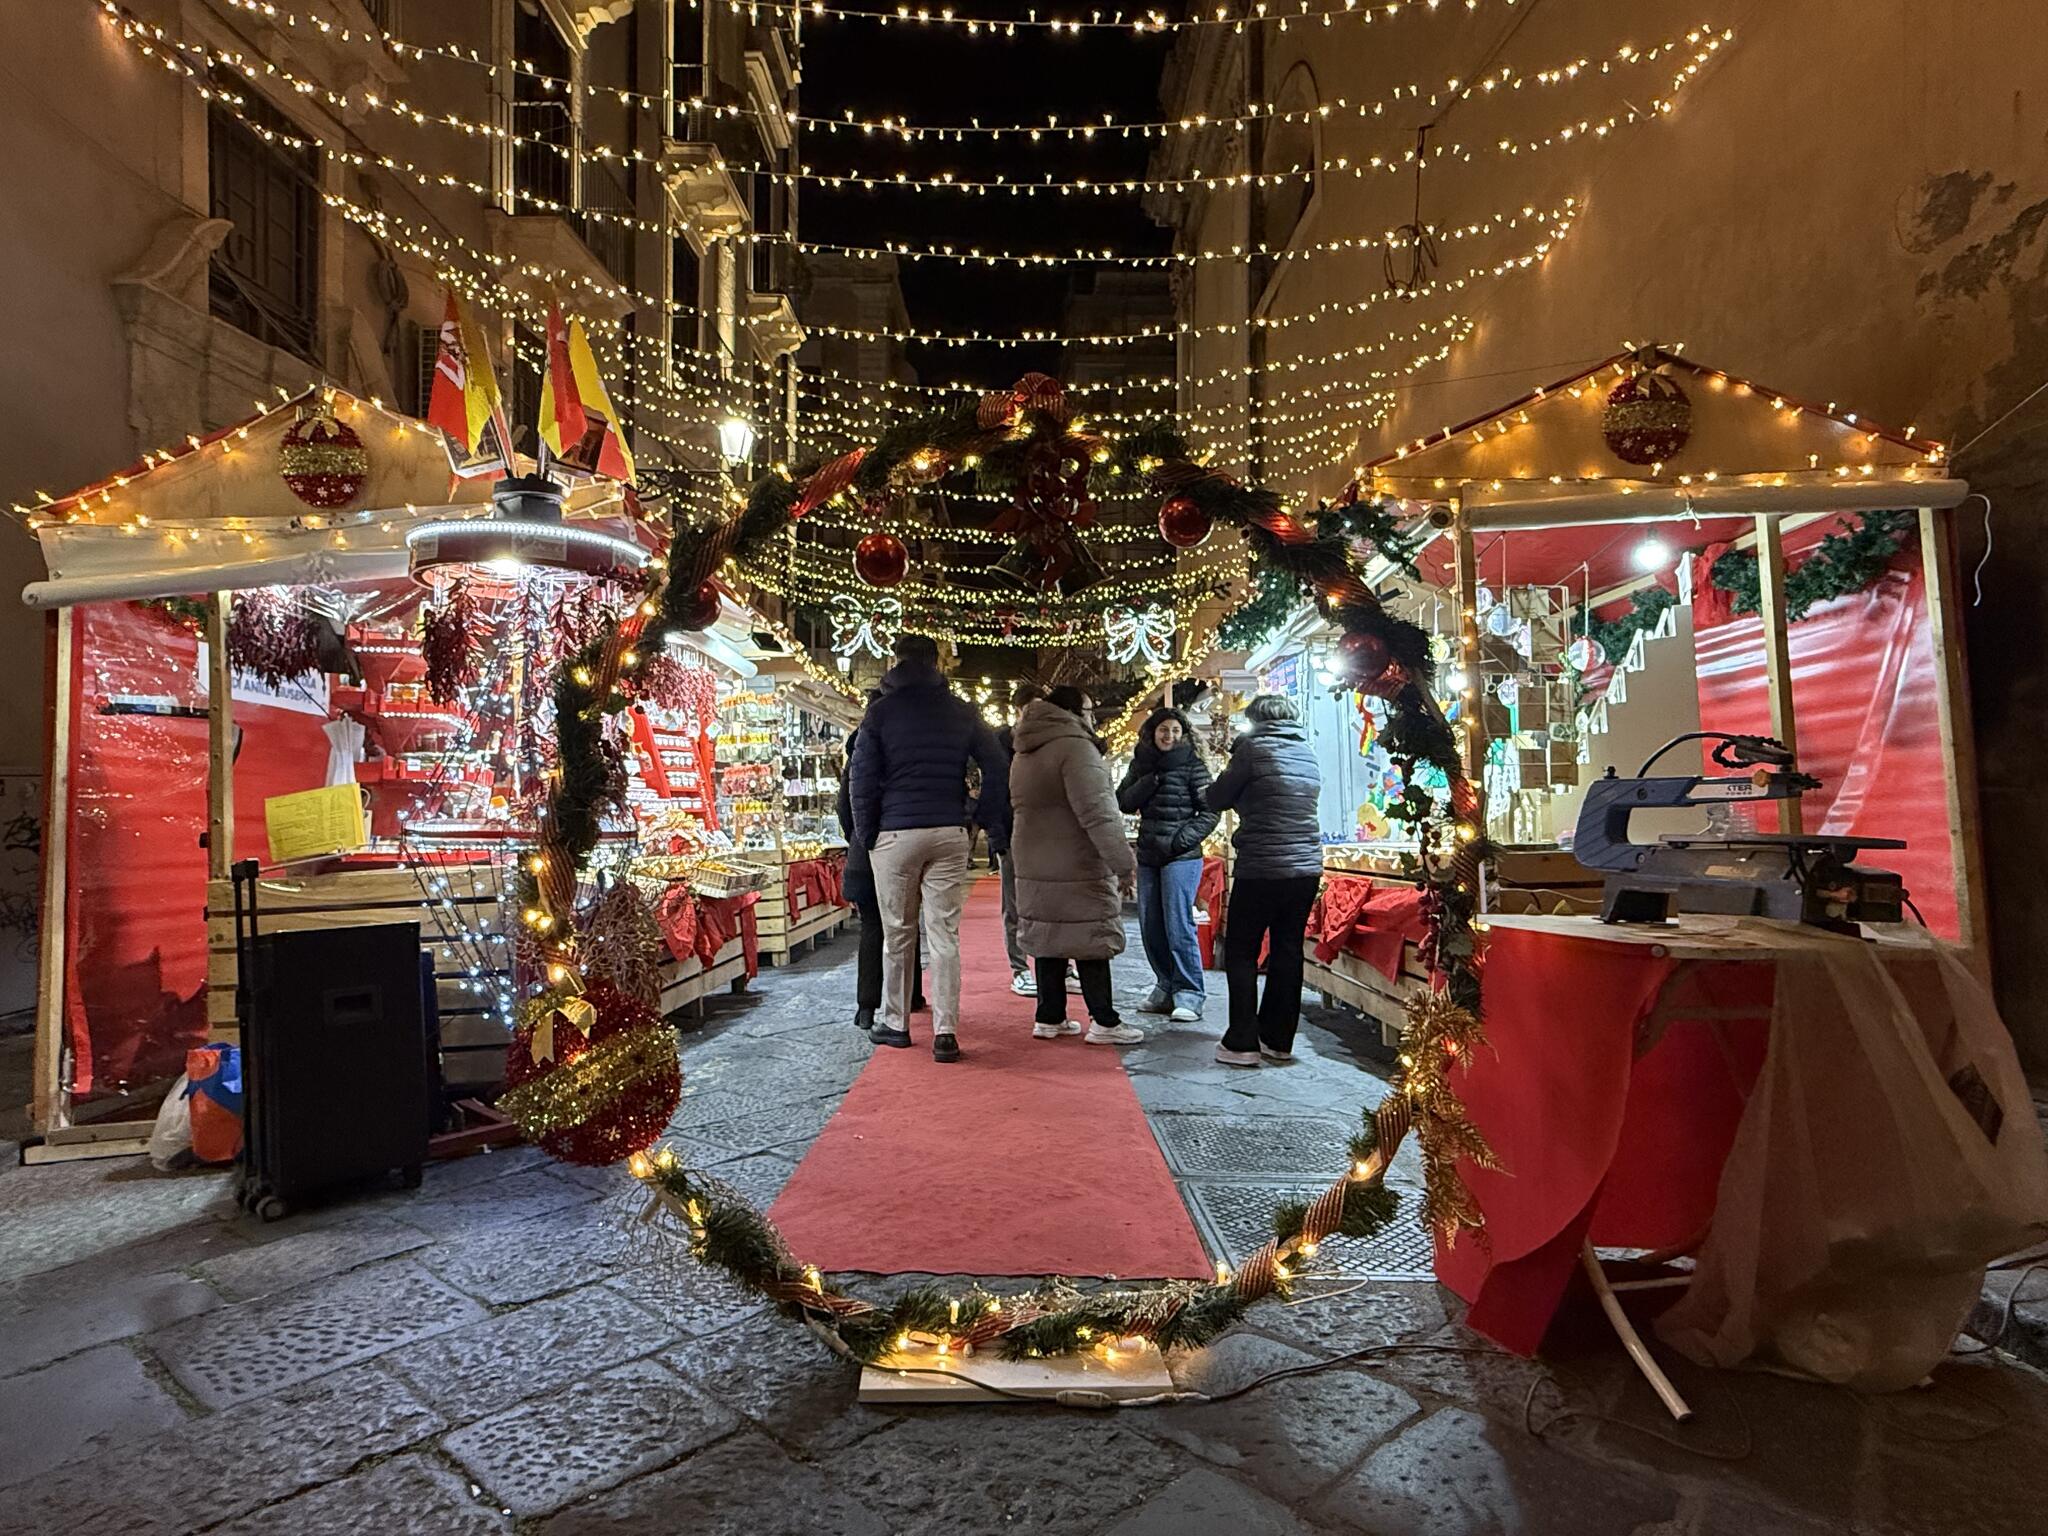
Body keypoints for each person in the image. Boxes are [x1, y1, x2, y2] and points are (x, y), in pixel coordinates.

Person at [849, 634, 1011, 1062]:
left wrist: (868, 833)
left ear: (896, 660)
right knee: (944, 934)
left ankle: (896, 1023)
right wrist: (980, 814)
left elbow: (861, 778)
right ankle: (946, 1031)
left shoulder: (880, 712)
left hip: (896, 833)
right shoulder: (961, 710)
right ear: (936, 662)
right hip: (948, 830)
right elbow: (997, 763)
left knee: (897, 933)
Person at [1009, 686, 1143, 1044]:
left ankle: (1049, 1016)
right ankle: (1104, 1021)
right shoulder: (1077, 749)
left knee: (1048, 935)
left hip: (1033, 857)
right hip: (1077, 860)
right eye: (1088, 709)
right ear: (1072, 712)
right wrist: (1123, 863)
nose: (1092, 716)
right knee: (1090, 935)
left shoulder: (1026, 750)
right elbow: (1099, 814)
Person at [1205, 694, 1323, 1067]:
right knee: (1288, 948)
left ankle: (1242, 1041)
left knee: (1242, 949)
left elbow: (1217, 797)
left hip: (1262, 865)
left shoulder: (1253, 751)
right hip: (1306, 868)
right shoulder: (1307, 753)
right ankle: (1277, 1038)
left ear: (1255, 719)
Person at [1118, 707, 1219, 1023]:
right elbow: (1124, 801)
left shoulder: (1193, 765)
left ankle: (1190, 993)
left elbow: (1210, 810)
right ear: (1153, 732)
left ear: (1183, 734)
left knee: (1178, 924)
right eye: (1164, 730)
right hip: (1149, 855)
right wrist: (1150, 781)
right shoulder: (1141, 763)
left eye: (1176, 730)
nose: (1170, 736)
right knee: (1151, 925)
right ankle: (1165, 985)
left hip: (1181, 856)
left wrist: (1181, 839)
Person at [837, 693, 922, 1035]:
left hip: (864, 852)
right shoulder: (906, 748)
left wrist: (858, 839)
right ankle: (911, 995)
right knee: (907, 923)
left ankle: (866, 1007)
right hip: (900, 848)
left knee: (872, 928)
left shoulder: (857, 752)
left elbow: (844, 807)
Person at [994, 681, 1042, 995]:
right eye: (1029, 708)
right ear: (1017, 710)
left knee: (1048, 904)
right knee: (1014, 905)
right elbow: (995, 792)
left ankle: (1059, 965)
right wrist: (997, 837)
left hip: (1046, 836)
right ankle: (1020, 969)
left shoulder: (1051, 741)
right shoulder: (1000, 743)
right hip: (1012, 832)